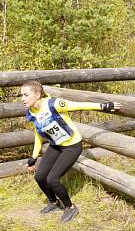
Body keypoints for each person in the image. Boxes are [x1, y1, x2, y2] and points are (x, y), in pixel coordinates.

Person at [20, 81, 120, 222]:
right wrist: (34, 156)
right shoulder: (31, 112)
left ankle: (70, 207)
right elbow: (38, 133)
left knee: (52, 179)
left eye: (26, 95)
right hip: (56, 145)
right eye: (21, 95)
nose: (22, 98)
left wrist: (103, 106)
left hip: (72, 146)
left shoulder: (54, 104)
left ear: (37, 95)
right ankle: (54, 203)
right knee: (39, 177)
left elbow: (79, 105)